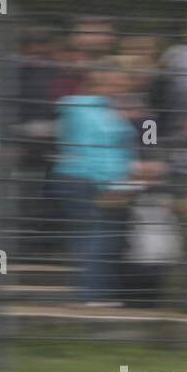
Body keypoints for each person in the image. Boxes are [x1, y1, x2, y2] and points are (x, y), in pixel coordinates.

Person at [52, 61, 140, 306]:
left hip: (93, 180)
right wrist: (111, 185)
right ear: (99, 79)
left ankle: (91, 294)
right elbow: (95, 150)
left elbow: (139, 139)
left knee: (91, 237)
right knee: (100, 238)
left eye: (125, 80)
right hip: (89, 181)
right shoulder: (82, 108)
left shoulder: (110, 109)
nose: (124, 85)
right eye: (118, 80)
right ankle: (93, 296)